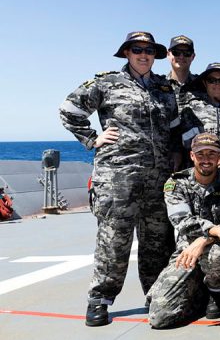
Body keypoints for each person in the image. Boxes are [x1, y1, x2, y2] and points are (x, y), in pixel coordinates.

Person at [59, 31, 180, 326]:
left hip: (158, 179)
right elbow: (69, 110)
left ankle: (155, 296)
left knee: (157, 243)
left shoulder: (165, 89)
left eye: (149, 50)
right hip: (118, 178)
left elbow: (175, 126)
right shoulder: (107, 83)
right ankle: (100, 299)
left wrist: (175, 155)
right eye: (137, 49)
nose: (144, 54)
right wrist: (92, 138)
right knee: (114, 241)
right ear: (126, 53)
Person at [147, 133, 220, 327]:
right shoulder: (176, 184)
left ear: (219, 157)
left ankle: (217, 291)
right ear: (192, 156)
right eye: (201, 154)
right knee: (160, 317)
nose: (206, 159)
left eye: (212, 154)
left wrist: (204, 240)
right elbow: (182, 222)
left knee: (217, 254)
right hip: (188, 252)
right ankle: (199, 296)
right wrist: (212, 233)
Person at [165, 35, 199, 112]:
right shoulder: (157, 85)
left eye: (187, 53)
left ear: (193, 57)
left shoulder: (203, 85)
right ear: (168, 54)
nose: (181, 56)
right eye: (176, 52)